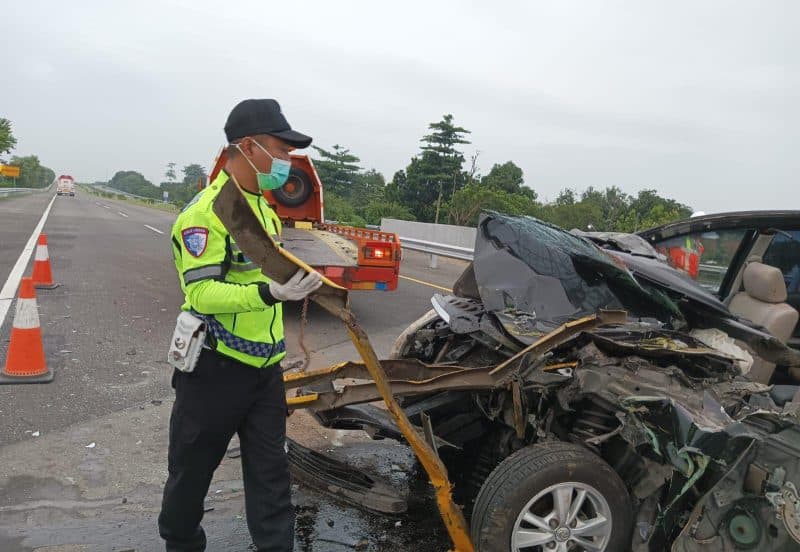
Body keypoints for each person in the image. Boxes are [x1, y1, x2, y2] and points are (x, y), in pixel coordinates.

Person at [159, 99, 322, 551]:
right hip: (215, 369)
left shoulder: (262, 206)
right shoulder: (205, 213)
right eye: (280, 149)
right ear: (247, 147)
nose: (286, 161)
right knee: (191, 473)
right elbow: (202, 294)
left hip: (264, 371)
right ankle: (181, 541)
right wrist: (271, 293)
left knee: (272, 478)